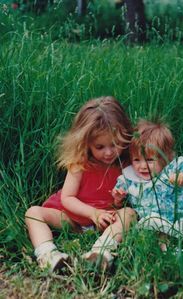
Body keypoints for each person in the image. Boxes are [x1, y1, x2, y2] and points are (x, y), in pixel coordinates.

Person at [25, 96, 136, 272]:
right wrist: (93, 213)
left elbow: (123, 201)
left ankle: (102, 251)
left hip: (106, 219)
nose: (108, 152)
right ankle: (48, 255)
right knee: (33, 213)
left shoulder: (126, 164)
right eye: (99, 147)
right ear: (86, 143)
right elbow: (67, 198)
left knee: (129, 214)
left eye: (115, 144)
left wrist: (118, 202)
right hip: (72, 219)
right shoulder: (80, 164)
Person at [112, 119, 183, 252]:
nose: (142, 166)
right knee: (154, 224)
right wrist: (118, 198)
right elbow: (119, 203)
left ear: (164, 158)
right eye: (136, 160)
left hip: (180, 213)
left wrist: (180, 178)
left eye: (150, 160)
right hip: (155, 217)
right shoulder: (129, 179)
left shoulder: (171, 169)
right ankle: (165, 250)